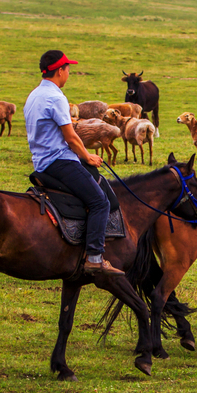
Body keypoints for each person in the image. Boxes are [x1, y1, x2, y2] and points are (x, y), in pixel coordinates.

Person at [22, 49, 122, 276]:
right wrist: (88, 156)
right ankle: (95, 257)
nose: (69, 74)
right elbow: (70, 136)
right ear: (60, 71)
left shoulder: (34, 95)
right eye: (68, 69)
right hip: (59, 161)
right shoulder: (56, 97)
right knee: (100, 201)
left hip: (41, 160)